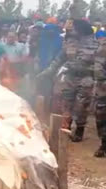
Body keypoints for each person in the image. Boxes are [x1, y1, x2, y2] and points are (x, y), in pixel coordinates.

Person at [37, 20, 104, 156]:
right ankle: (66, 128)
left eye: (74, 29)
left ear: (81, 29)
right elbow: (58, 60)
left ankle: (79, 129)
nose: (71, 31)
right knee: (66, 104)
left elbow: (100, 65)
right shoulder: (69, 42)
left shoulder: (97, 43)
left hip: (87, 78)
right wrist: (46, 73)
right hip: (70, 77)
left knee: (81, 106)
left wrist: (98, 82)